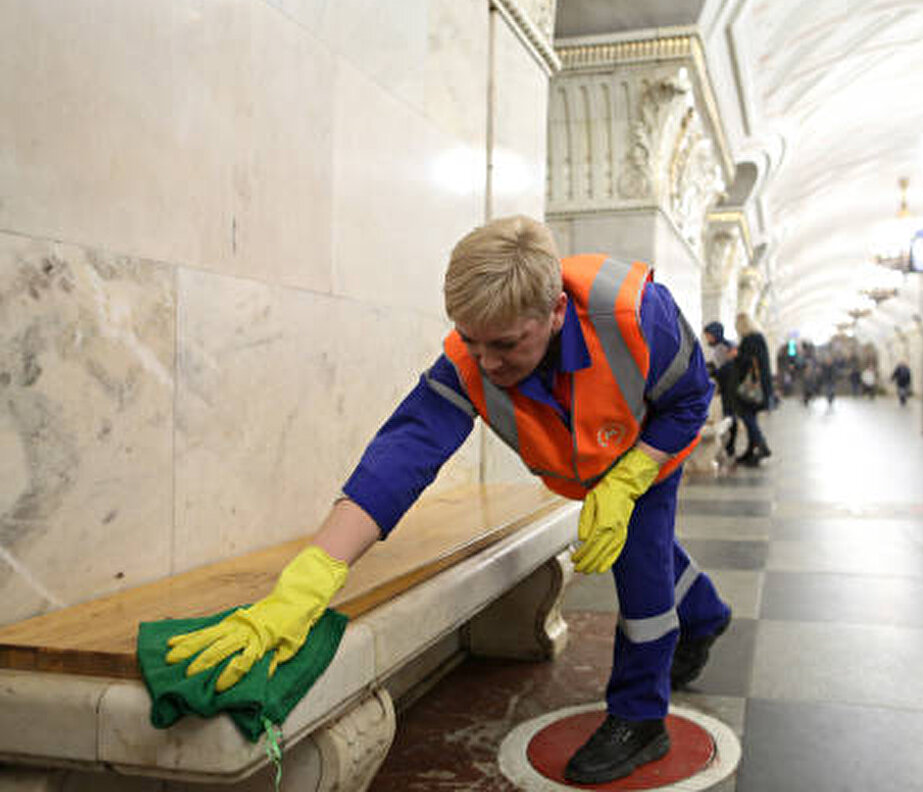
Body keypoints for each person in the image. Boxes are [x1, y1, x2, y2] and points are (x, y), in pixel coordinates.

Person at [163, 216, 732, 785]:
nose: (485, 364)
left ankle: (641, 717)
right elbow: (399, 460)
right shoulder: (470, 359)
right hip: (588, 464)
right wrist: (308, 581)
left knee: (642, 568)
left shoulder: (637, 316)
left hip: (644, 451)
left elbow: (689, 402)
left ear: (556, 311)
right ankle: (705, 612)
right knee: (646, 548)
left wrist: (630, 477)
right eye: (471, 341)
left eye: (506, 344)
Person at [733, 312, 772, 466]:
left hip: (753, 387)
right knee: (751, 416)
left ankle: (762, 445)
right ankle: (751, 450)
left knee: (747, 416)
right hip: (760, 386)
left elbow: (750, 362)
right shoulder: (759, 337)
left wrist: (737, 355)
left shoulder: (750, 340)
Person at [703, 321, 738, 458]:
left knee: (730, 415)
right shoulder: (726, 346)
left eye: (708, 335)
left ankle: (730, 446)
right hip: (729, 386)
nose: (707, 338)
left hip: (729, 387)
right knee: (729, 415)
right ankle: (729, 445)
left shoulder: (722, 348)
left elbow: (723, 369)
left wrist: (711, 373)